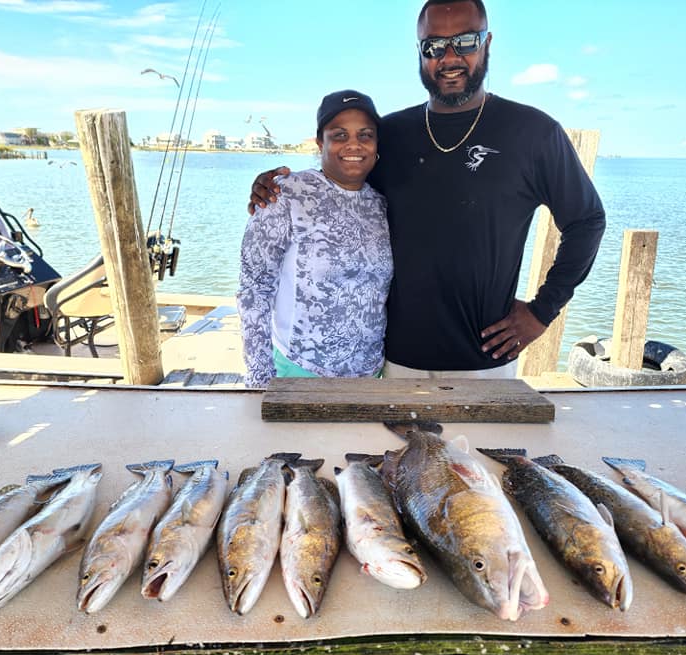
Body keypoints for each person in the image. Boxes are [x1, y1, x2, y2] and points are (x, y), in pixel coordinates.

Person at [249, 0, 605, 379]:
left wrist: (541, 311)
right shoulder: (392, 135)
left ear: (488, 43)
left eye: (466, 41)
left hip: (485, 362)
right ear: (420, 52)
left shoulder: (532, 133)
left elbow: (586, 221)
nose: (449, 57)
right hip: (392, 360)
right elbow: (338, 183)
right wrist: (275, 190)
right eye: (433, 46)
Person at [237, 90, 392, 388]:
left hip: (371, 375)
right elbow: (254, 290)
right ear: (321, 142)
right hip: (299, 372)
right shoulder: (284, 194)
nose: (353, 145)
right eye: (339, 135)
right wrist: (259, 379)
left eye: (365, 135)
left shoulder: (382, 205)